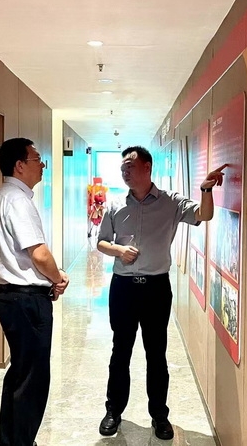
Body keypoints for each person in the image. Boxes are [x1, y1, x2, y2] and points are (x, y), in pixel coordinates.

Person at [96, 146, 226, 440]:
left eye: (130, 166)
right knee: (121, 350)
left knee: (156, 353)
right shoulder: (115, 205)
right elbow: (101, 242)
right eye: (122, 167)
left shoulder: (171, 202)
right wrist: (118, 250)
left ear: (147, 167)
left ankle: (159, 415)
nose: (125, 171)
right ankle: (113, 410)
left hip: (156, 289)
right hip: (123, 288)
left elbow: (203, 214)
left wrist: (206, 189)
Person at [0, 137, 70, 446]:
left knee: (20, 374)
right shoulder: (18, 200)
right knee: (32, 380)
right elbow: (39, 254)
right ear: (20, 165)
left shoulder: (2, 196)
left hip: (12, 297)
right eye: (37, 160)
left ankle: (10, 441)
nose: (43, 165)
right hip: (26, 299)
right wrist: (57, 277)